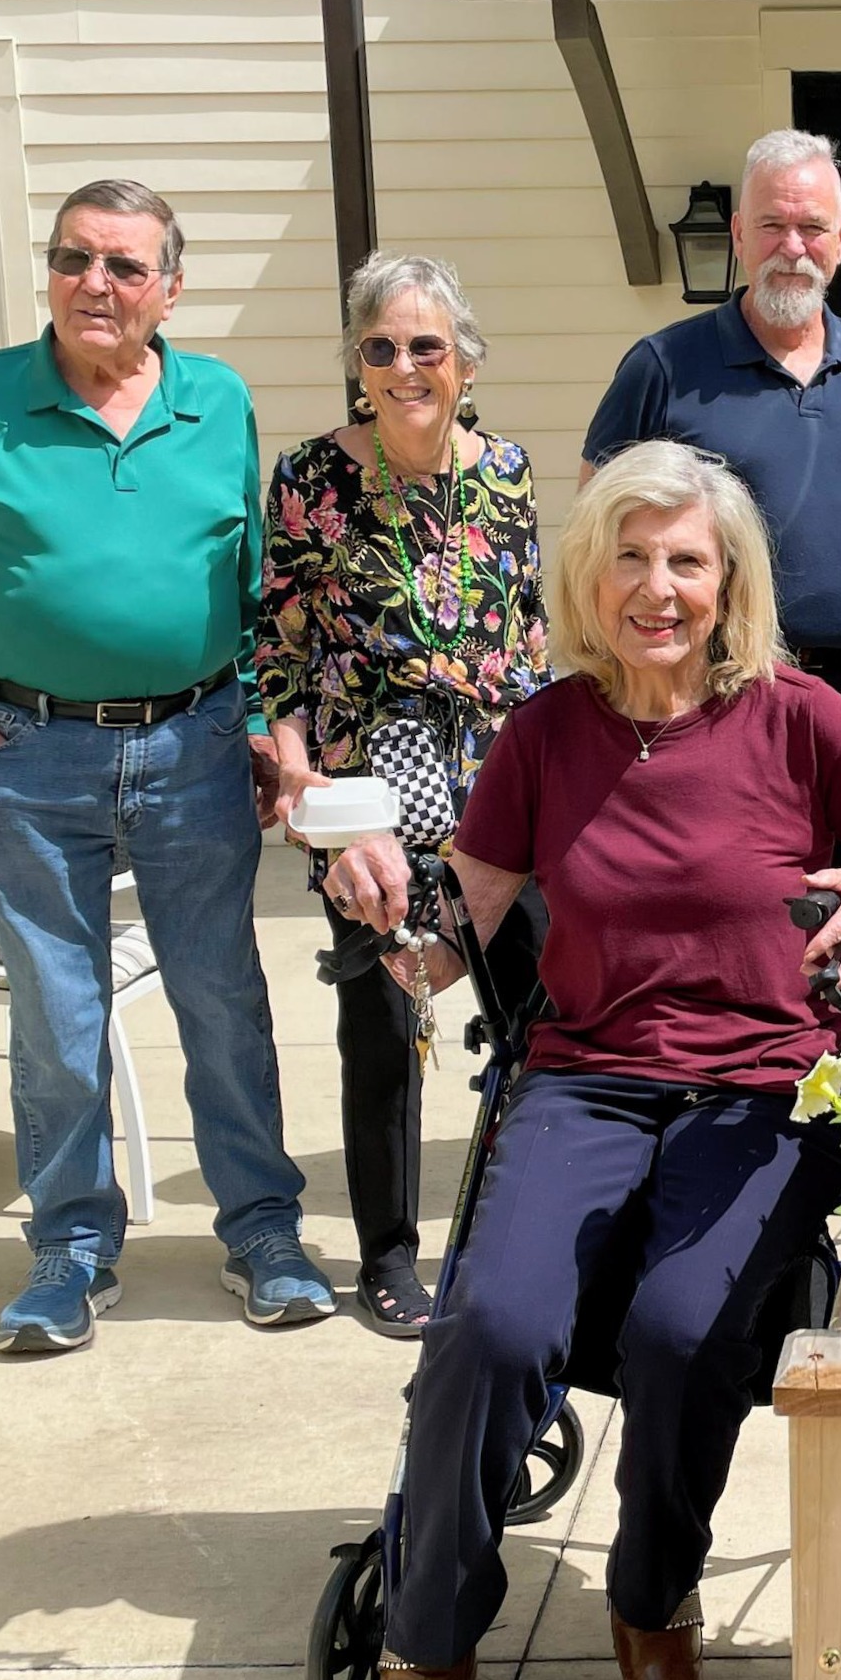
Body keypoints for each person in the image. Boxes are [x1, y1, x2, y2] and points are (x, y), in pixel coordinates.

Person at [329, 441, 841, 1680]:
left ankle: (652, 1611)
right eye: (629, 556)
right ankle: (430, 1641)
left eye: (684, 559)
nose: (657, 586)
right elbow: (456, 936)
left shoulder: (800, 715)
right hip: (588, 1082)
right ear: (591, 573)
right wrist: (397, 925)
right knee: (489, 1330)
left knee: (687, 1336)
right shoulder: (547, 733)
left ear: (726, 576)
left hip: (765, 1096)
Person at [0, 178, 333, 1352]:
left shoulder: (216, 401)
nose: (97, 283)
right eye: (76, 258)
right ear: (50, 272)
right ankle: (72, 1249)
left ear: (168, 289)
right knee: (57, 1009)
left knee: (222, 996)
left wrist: (252, 722)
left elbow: (252, 590)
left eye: (126, 267)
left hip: (194, 742)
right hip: (30, 751)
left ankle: (262, 1230)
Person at [257, 251, 549, 1338]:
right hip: (364, 783)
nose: (403, 365)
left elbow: (528, 632)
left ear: (464, 360)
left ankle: (530, 1229)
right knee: (381, 1022)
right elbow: (280, 648)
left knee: (535, 1004)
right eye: (379, 347)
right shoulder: (311, 477)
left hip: (497, 780)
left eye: (426, 345)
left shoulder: (507, 468)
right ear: (357, 363)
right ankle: (387, 1259)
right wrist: (296, 771)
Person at [581, 128, 841, 757]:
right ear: (740, 234)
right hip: (717, 693)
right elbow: (597, 532)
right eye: (773, 225)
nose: (793, 248)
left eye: (813, 228)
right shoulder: (663, 367)